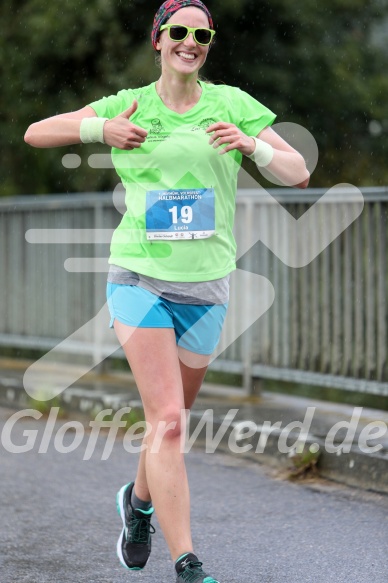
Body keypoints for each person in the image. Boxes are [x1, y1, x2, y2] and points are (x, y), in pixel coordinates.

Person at [24, 1, 310, 581]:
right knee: (170, 422)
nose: (191, 41)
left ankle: (138, 503)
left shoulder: (232, 104)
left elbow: (298, 172)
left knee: (170, 420)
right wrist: (97, 128)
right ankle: (187, 560)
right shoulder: (130, 104)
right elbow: (35, 132)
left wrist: (252, 146)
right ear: (158, 39)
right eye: (179, 31)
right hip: (138, 277)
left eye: (201, 34)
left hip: (206, 284)